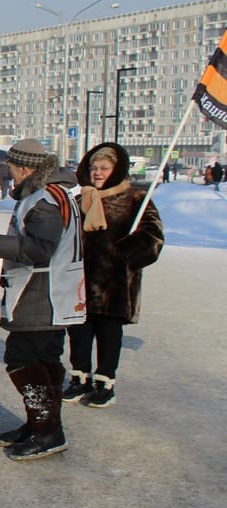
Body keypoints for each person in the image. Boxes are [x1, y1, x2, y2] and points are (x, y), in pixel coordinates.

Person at [0, 139, 84, 461]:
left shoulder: (44, 199)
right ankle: (39, 424)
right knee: (46, 358)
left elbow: (40, 249)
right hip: (54, 292)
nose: (10, 174)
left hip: (42, 293)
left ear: (26, 168)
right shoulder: (51, 193)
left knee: (22, 357)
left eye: (12, 168)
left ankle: (47, 430)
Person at [65, 143, 164, 407]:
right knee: (79, 332)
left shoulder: (135, 200)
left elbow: (154, 238)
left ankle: (105, 383)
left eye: (104, 168)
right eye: (94, 167)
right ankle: (79, 379)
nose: (97, 173)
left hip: (114, 283)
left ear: (116, 170)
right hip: (80, 280)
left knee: (109, 334)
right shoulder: (79, 200)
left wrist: (122, 253)